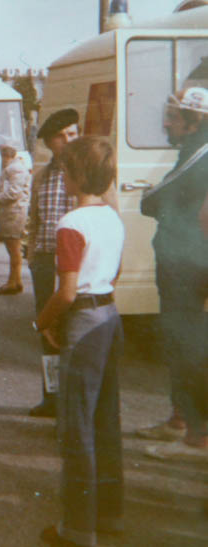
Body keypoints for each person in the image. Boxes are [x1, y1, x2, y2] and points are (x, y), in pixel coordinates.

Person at [35, 137, 125, 547]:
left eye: (66, 170)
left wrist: (44, 321)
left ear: (75, 175)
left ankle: (76, 529)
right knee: (106, 421)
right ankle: (109, 515)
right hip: (109, 315)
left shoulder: (71, 223)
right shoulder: (112, 217)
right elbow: (115, 271)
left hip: (84, 320)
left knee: (77, 427)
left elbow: (67, 291)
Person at [138, 87, 208, 463]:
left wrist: (152, 198)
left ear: (196, 121)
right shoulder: (191, 152)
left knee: (189, 346)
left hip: (190, 268)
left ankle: (195, 435)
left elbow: (154, 199)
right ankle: (182, 421)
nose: (166, 123)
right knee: (182, 345)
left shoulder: (201, 152)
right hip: (184, 265)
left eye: (174, 117)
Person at [25, 109, 81, 417]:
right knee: (47, 330)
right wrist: (32, 256)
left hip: (74, 266)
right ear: (50, 142)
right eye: (63, 136)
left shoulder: (88, 173)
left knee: (73, 331)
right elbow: (34, 220)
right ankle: (51, 397)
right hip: (46, 263)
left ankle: (72, 404)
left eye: (74, 134)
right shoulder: (41, 177)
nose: (70, 140)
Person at [0, 145, 31, 295]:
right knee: (13, 249)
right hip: (11, 213)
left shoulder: (15, 168)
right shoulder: (15, 167)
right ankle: (15, 281)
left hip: (13, 214)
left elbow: (13, 193)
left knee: (14, 249)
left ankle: (13, 282)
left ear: (4, 157)